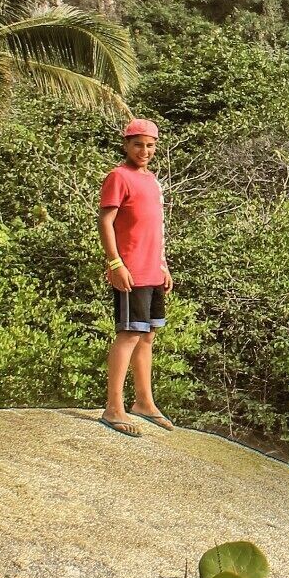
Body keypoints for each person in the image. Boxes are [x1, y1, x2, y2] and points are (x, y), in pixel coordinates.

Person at [98, 117, 175, 435]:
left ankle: (143, 401)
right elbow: (105, 221)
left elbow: (155, 228)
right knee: (128, 335)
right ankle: (113, 407)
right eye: (138, 144)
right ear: (126, 145)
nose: (144, 150)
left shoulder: (152, 180)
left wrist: (163, 264)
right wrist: (116, 264)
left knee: (147, 336)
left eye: (150, 145)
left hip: (152, 271)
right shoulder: (118, 176)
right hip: (130, 272)